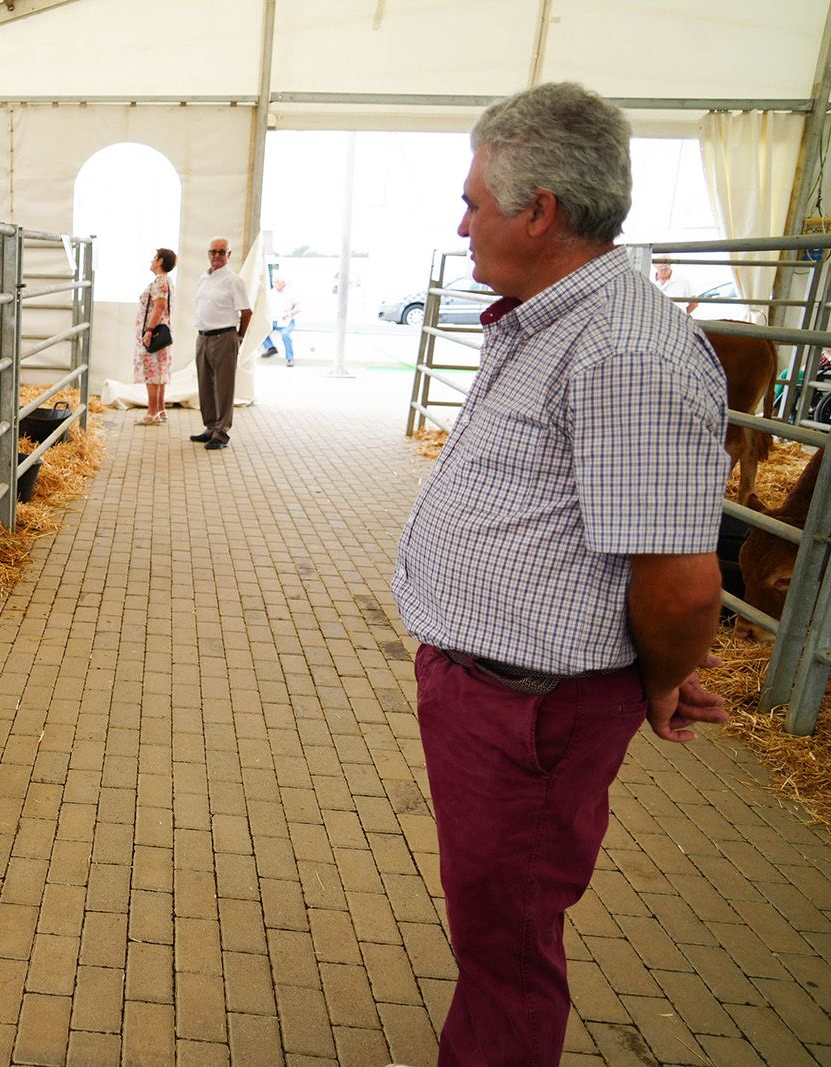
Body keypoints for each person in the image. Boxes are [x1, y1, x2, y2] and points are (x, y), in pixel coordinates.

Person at [391, 82, 731, 1066]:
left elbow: (681, 581)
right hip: (495, 696)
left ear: (537, 209)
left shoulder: (624, 348)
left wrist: (658, 676)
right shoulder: (556, 321)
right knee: (492, 922)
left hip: (529, 710)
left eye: (473, 203)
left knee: (508, 940)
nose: (461, 225)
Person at [189, 237, 251, 450]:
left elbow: (246, 311)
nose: (217, 255)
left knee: (224, 386)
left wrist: (239, 337)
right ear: (208, 253)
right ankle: (210, 427)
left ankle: (222, 432)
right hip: (203, 336)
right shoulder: (203, 278)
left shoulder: (234, 281)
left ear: (229, 255)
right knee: (205, 383)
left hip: (224, 336)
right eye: (213, 251)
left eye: (221, 252)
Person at [135, 247, 176, 424]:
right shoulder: (166, 280)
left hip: (155, 331)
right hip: (163, 331)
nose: (151, 261)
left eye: (154, 258)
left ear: (160, 261)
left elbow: (159, 307)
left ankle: (152, 412)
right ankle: (160, 409)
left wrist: (149, 331)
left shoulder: (160, 282)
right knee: (160, 371)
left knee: (152, 372)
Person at [259, 275, 298, 366]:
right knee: (260, 330)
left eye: (277, 282)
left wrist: (289, 314)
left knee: (285, 335)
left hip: (286, 320)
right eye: (274, 282)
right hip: (272, 319)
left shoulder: (291, 293)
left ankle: (290, 359)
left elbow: (298, 308)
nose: (274, 283)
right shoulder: (270, 293)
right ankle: (271, 348)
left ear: (283, 283)